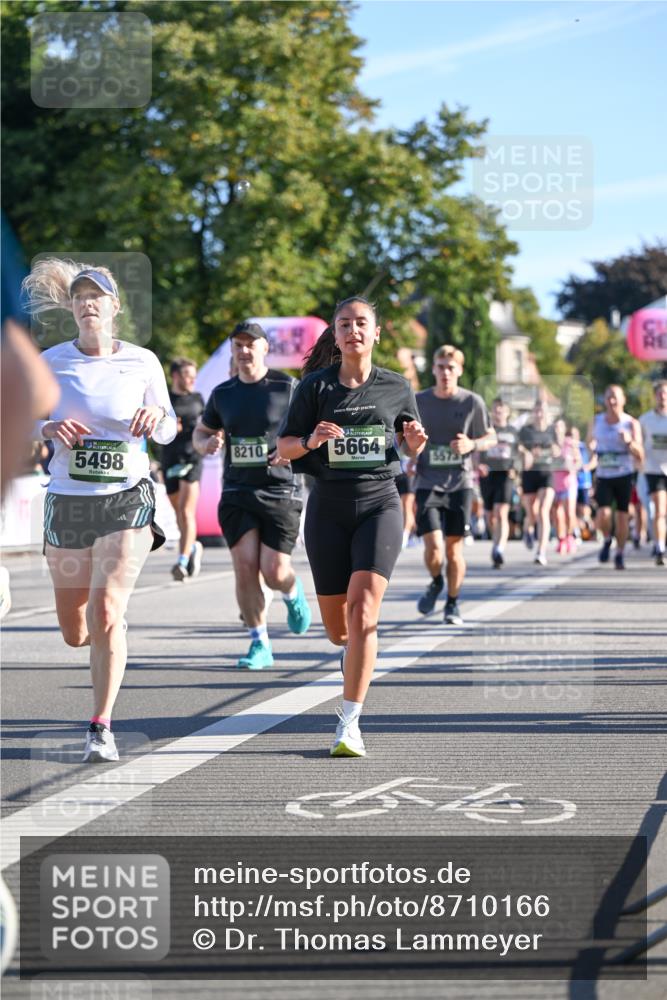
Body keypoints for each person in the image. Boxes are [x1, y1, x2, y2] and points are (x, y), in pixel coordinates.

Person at [21, 258, 177, 762]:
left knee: (107, 611)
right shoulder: (50, 362)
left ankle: (100, 726)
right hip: (68, 501)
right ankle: (101, 633)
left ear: (114, 306)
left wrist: (157, 418)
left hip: (126, 495)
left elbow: (170, 426)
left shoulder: (143, 361)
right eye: (80, 296)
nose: (89, 303)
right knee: (76, 631)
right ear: (71, 306)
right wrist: (46, 429)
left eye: (98, 296)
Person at [277, 298, 427, 757]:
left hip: (380, 503)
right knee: (339, 630)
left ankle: (349, 722)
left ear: (376, 333)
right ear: (336, 335)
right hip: (327, 508)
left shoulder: (396, 386)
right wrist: (311, 440)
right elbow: (284, 449)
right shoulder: (314, 387)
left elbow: (411, 444)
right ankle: (350, 654)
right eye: (345, 324)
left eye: (362, 323)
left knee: (364, 613)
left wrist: (415, 446)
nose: (353, 330)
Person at [192, 320, 312, 670]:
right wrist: (207, 443)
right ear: (233, 350)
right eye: (238, 345)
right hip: (237, 490)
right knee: (245, 567)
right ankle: (260, 644)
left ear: (264, 348)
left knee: (273, 570)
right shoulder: (223, 393)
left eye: (250, 344)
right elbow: (201, 433)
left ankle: (292, 592)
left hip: (280, 489)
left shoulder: (287, 387)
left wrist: (291, 450)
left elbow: (308, 435)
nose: (244, 351)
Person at [413, 346, 495, 621]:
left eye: (451, 367)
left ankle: (452, 602)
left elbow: (491, 437)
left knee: (454, 548)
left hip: (460, 483)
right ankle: (436, 580)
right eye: (440, 366)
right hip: (427, 481)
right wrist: (409, 450)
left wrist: (472, 443)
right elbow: (403, 438)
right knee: (434, 547)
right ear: (433, 369)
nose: (445, 372)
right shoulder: (419, 401)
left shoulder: (472, 402)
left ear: (459, 370)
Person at [588, 384, 644, 570]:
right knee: (603, 513)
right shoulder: (596, 421)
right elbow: (589, 446)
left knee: (622, 516)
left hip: (624, 474)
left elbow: (640, 455)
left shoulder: (631, 423)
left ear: (623, 400)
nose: (611, 401)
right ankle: (606, 539)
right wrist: (591, 448)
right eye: (608, 397)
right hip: (604, 475)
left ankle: (619, 553)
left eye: (615, 397)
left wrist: (629, 442)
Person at [161, 357, 205, 581]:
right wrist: (167, 427)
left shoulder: (198, 399)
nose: (191, 380)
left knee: (187, 512)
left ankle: (182, 560)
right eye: (187, 375)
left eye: (193, 376)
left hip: (192, 458)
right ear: (175, 376)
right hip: (170, 459)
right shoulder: (164, 399)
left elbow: (208, 425)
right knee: (178, 512)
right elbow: (154, 432)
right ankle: (192, 546)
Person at [478, 398, 520, 568]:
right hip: (488, 475)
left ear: (507, 412)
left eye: (502, 409)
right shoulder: (485, 430)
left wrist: (516, 469)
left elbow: (519, 454)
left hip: (505, 475)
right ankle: (495, 543)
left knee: (501, 512)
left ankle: (499, 549)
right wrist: (478, 465)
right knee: (490, 516)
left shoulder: (513, 432)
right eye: (496, 409)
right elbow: (477, 451)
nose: (498, 412)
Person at [518, 400, 558, 567]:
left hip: (547, 474)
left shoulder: (552, 430)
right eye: (537, 410)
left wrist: (554, 450)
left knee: (543, 511)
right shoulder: (525, 431)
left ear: (547, 413)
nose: (540, 414)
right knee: (532, 513)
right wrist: (526, 452)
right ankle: (528, 530)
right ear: (533, 412)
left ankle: (541, 551)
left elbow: (558, 449)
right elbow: (518, 446)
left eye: (542, 410)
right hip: (529, 474)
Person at [640, 380, 667, 565]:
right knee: (659, 511)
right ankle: (660, 547)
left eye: (665, 393)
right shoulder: (644, 420)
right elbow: (639, 444)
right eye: (660, 393)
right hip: (654, 469)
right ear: (655, 396)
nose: (663, 397)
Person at [551, 417, 582, 554]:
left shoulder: (570, 444)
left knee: (569, 513)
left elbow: (579, 461)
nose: (558, 430)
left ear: (564, 429)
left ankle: (570, 537)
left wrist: (572, 466)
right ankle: (561, 539)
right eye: (555, 427)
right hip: (554, 483)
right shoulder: (550, 445)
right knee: (557, 515)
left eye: (560, 427)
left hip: (569, 483)